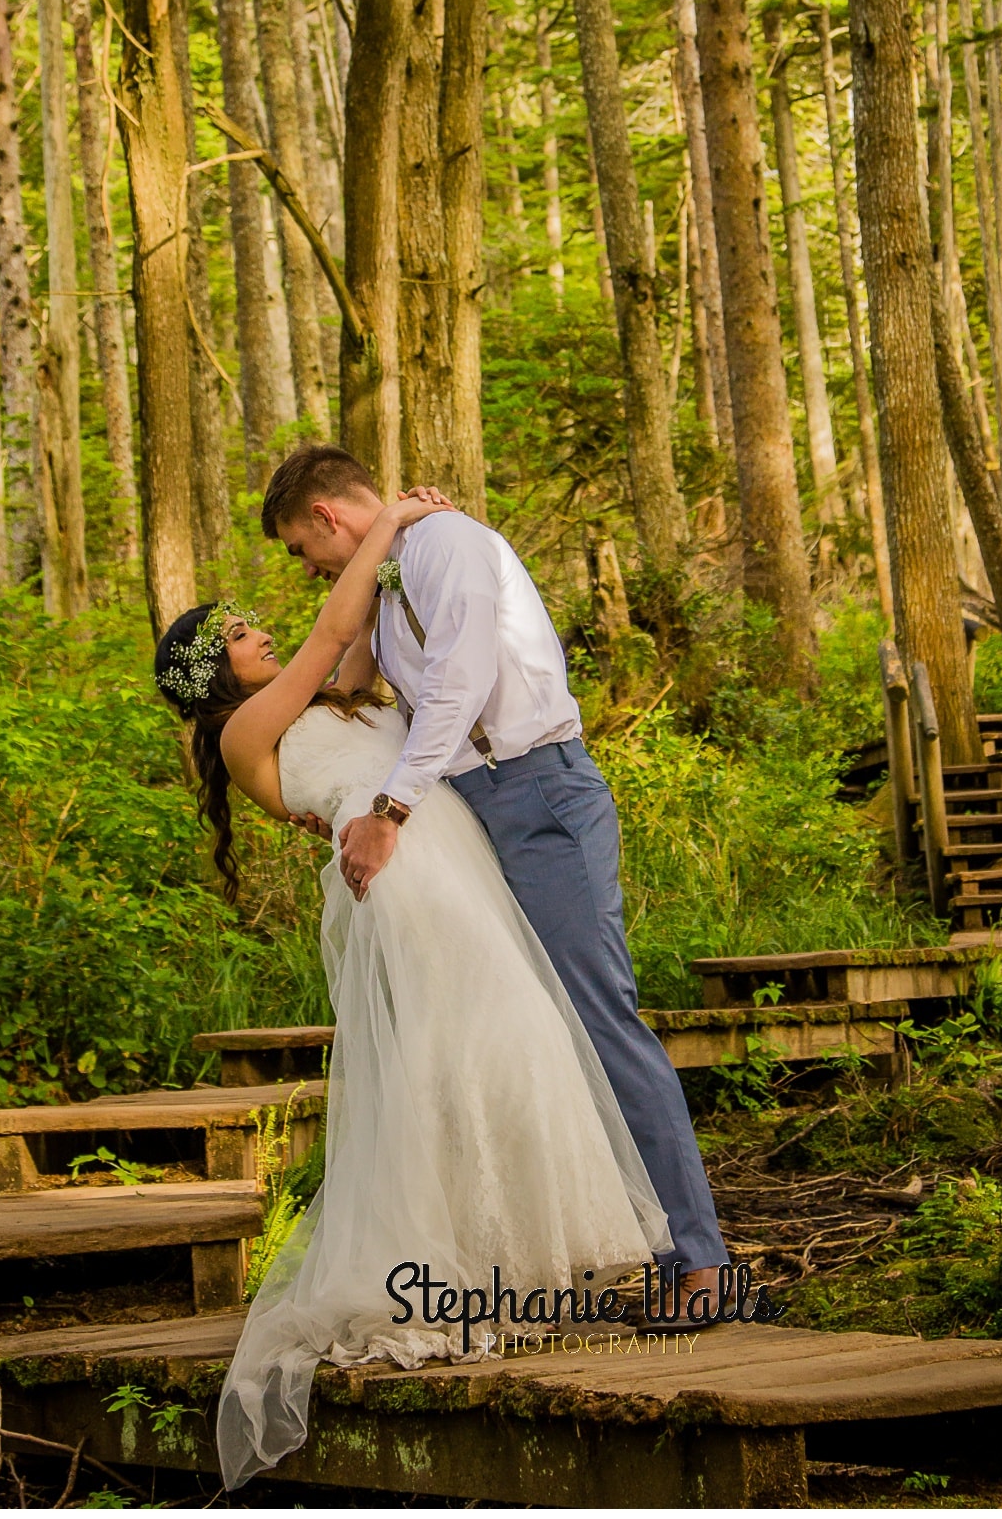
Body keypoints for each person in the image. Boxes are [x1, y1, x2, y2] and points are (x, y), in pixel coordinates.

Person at [156, 487, 669, 1489]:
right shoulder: (245, 729)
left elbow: (360, 646)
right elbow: (335, 625)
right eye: (239, 635)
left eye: (255, 624)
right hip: (402, 880)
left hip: (444, 856)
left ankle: (521, 1260)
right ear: (216, 673)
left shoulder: (319, 700)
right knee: (453, 1052)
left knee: (513, 1039)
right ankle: (451, 1270)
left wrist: (400, 545)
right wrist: (384, 523)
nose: (259, 634)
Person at [257, 445, 732, 1330]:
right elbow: (348, 679)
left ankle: (697, 1259)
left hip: (538, 795)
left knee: (598, 1018)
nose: (308, 566)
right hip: (473, 812)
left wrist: (390, 808)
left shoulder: (449, 549)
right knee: (522, 1028)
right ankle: (557, 1251)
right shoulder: (393, 580)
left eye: (299, 547)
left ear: (325, 517)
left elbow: (459, 683)